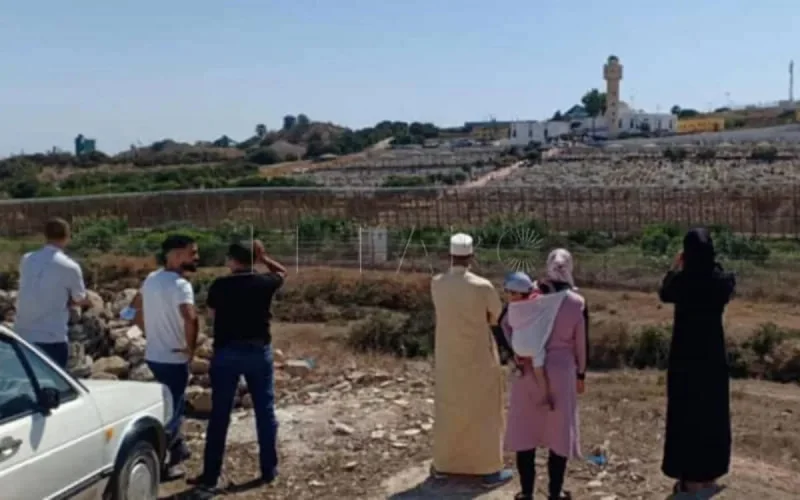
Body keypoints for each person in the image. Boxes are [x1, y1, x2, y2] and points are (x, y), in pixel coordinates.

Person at [189, 240, 287, 496]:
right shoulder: (265, 283)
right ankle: (268, 469)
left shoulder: (220, 286)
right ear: (253, 260)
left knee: (220, 415)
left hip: (226, 353)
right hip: (257, 352)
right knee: (265, 411)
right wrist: (264, 257)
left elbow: (211, 314)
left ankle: (210, 476)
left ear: (233, 260)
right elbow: (282, 273)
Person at [429, 232, 512, 487]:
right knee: (484, 412)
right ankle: (488, 470)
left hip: (447, 358)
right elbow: (497, 316)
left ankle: (444, 465)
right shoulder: (482, 286)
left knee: (448, 409)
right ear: (472, 257)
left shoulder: (437, 282)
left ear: (450, 256)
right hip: (478, 357)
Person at [505, 248, 587, 500]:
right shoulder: (576, 303)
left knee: (525, 432)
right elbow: (581, 342)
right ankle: (555, 493)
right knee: (558, 434)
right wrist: (581, 374)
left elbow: (504, 322)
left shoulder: (529, 296)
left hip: (527, 371)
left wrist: (515, 351)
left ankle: (527, 493)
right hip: (562, 373)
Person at [659, 228, 735, 496]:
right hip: (712, 358)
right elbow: (728, 282)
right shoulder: (720, 281)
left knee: (685, 416)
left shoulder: (682, 282)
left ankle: (689, 478)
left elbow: (664, 291)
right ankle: (709, 474)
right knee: (711, 416)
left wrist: (676, 265)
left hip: (684, 359)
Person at [137, 234, 200, 479]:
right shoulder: (181, 285)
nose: (196, 257)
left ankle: (179, 448)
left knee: (167, 405)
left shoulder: (151, 279)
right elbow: (190, 317)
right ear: (175, 255)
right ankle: (165, 464)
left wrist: (150, 334)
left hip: (153, 355)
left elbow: (135, 312)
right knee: (173, 412)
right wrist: (190, 349)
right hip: (173, 360)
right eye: (191, 253)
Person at [14, 218, 89, 368]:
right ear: (67, 237)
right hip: (51, 336)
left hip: (22, 335)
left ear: (45, 236)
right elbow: (79, 298)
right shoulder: (70, 266)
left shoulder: (27, 259)